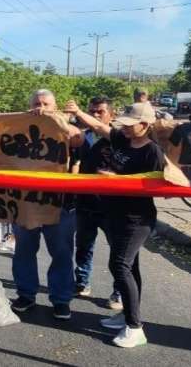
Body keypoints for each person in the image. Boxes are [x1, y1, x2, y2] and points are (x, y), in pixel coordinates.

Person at [65, 100, 164, 348]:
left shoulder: (152, 151)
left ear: (146, 124)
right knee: (132, 268)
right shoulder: (124, 139)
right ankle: (128, 315)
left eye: (132, 125)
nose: (126, 129)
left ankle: (135, 328)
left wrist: (116, 180)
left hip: (137, 219)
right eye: (126, 125)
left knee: (119, 265)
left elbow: (152, 188)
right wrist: (77, 113)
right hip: (116, 214)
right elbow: (100, 127)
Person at [11, 89, 83, 320]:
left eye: (46, 104)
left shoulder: (65, 126)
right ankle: (26, 294)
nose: (41, 107)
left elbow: (78, 139)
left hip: (60, 203)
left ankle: (61, 300)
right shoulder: (18, 127)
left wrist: (56, 121)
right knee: (24, 251)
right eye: (36, 103)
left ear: (55, 106)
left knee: (61, 253)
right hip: (26, 203)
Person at [73, 97, 122, 310]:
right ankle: (82, 282)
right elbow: (73, 163)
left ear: (111, 115)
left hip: (113, 206)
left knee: (119, 252)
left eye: (100, 111)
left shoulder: (120, 138)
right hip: (85, 203)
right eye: (91, 111)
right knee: (83, 246)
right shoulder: (80, 137)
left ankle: (119, 292)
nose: (95, 115)